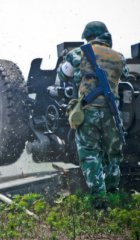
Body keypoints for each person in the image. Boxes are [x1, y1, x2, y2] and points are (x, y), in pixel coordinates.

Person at [57, 21, 129, 209]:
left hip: (88, 111)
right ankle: (113, 195)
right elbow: (127, 75)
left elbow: (63, 75)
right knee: (113, 155)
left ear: (89, 36)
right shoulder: (119, 57)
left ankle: (100, 203)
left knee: (90, 155)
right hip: (112, 114)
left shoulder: (79, 53)